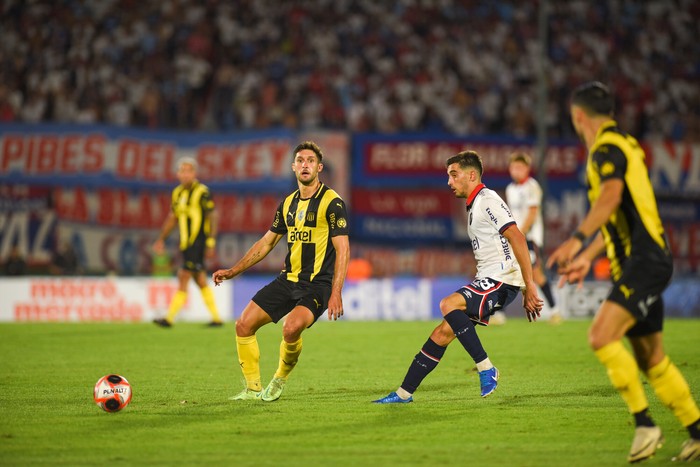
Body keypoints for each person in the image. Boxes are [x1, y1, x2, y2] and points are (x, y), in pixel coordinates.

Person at [547, 81, 699, 463]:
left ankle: (645, 425)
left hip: (644, 262)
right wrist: (590, 255)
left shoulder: (606, 150)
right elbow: (619, 215)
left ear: (578, 116)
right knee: (652, 359)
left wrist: (577, 240)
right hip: (642, 261)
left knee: (600, 336)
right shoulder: (625, 143)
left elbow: (611, 198)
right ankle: (696, 431)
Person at [373, 150, 543, 404]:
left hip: (501, 279)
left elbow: (517, 237)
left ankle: (486, 368)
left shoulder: (487, 199)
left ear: (471, 175)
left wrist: (528, 285)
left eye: (454, 175)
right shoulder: (475, 204)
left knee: (448, 304)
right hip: (490, 278)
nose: (449, 182)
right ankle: (403, 393)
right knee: (442, 333)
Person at [212, 141, 350, 402]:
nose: (305, 165)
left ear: (319, 167)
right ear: (293, 167)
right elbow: (266, 243)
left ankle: (279, 378)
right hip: (288, 280)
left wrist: (336, 292)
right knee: (243, 325)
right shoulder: (287, 204)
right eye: (300, 160)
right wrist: (234, 270)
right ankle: (253, 389)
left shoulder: (332, 203)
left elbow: (343, 249)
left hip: (317, 284)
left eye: (310, 160)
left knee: (290, 328)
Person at [152, 157, 223, 327]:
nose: (185, 174)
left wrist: (211, 242)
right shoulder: (177, 193)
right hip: (185, 244)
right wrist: (161, 239)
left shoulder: (203, 192)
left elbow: (213, 216)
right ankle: (216, 318)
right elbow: (172, 218)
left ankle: (169, 318)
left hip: (198, 242)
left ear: (194, 173)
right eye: (182, 171)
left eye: (188, 171)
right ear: (177, 174)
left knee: (183, 275)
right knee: (199, 279)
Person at [500, 152, 561, 324]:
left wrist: (520, 233)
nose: (516, 171)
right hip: (517, 237)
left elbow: (532, 213)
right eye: (514, 167)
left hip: (530, 238)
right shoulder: (510, 189)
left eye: (520, 167)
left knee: (535, 274)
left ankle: (555, 310)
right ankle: (499, 313)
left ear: (527, 169)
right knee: (508, 270)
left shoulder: (532, 187)